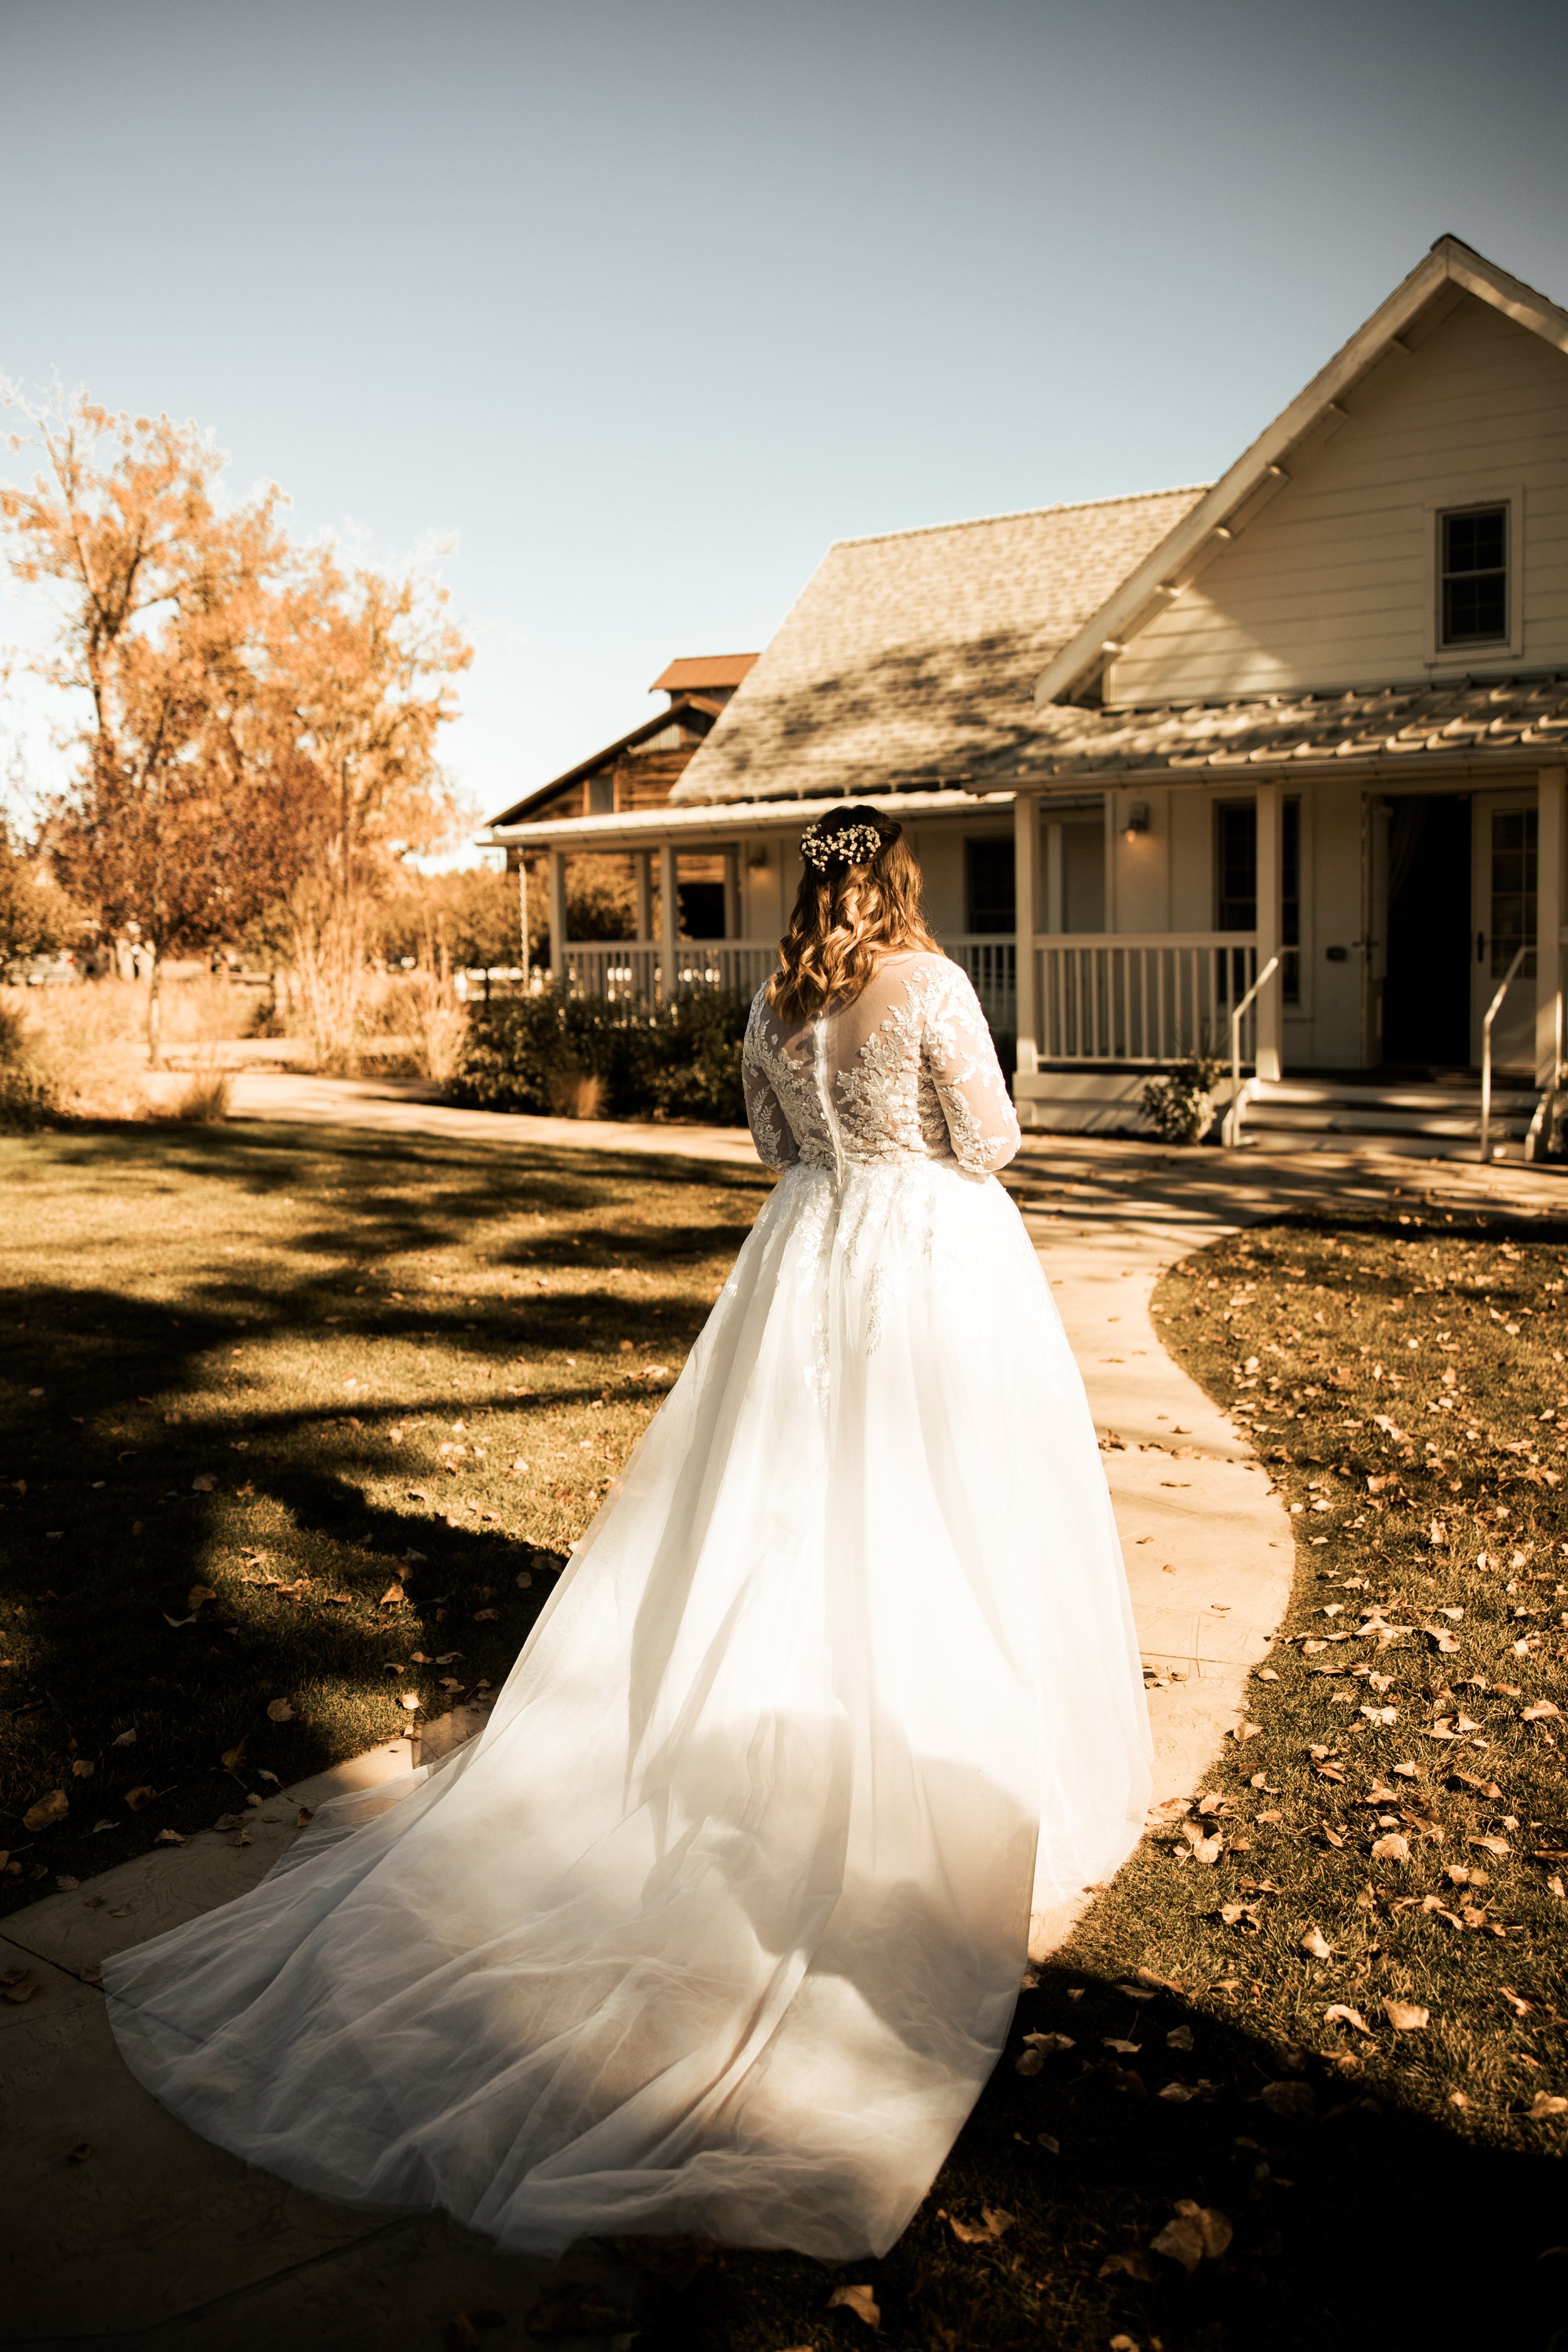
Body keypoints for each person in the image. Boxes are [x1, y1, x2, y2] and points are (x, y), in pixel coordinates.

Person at [105, 803, 1150, 2264]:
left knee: (787, 1501)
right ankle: (919, 1727)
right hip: (930, 1262)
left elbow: (768, 1141)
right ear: (897, 880)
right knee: (943, 1491)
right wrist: (936, 1144)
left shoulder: (780, 1000)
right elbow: (990, 1139)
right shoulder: (929, 985)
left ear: (810, 884)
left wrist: (844, 1162)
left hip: (807, 1251)